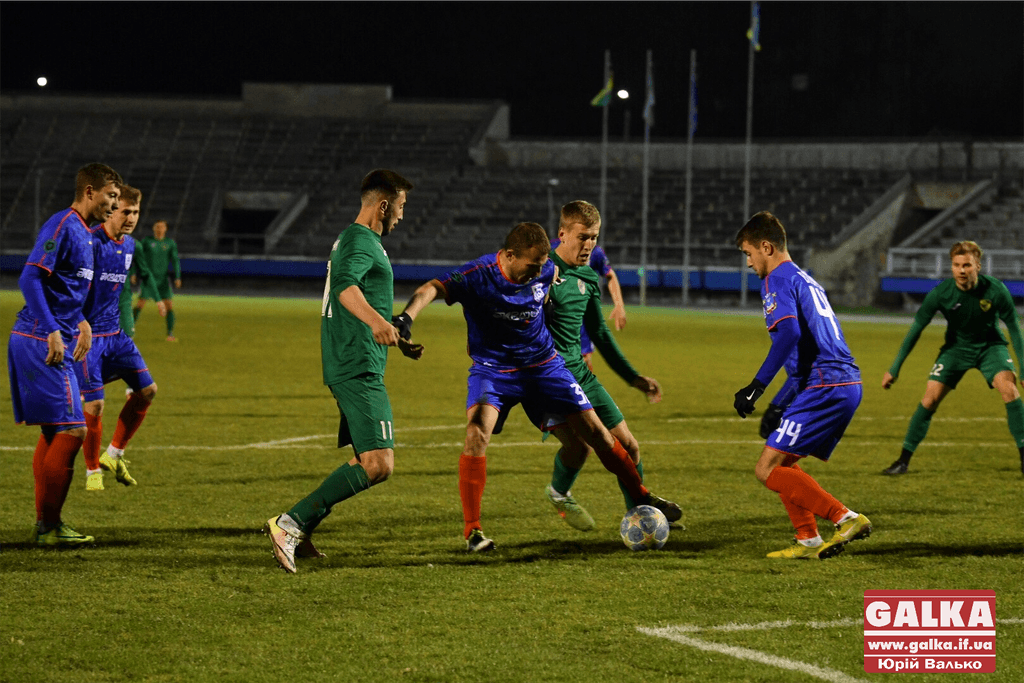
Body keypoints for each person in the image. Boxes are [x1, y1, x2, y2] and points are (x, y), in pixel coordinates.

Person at [397, 222, 677, 552]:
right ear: (509, 255)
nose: (537, 273)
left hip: (545, 366)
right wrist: (406, 319)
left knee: (598, 434)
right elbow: (432, 288)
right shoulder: (479, 273)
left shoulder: (546, 270)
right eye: (531, 266)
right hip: (494, 371)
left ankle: (641, 495)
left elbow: (551, 291)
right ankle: (473, 532)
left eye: (541, 266)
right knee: (476, 433)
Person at [264, 169, 420, 574]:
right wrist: (376, 323)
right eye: (401, 206)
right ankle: (290, 524)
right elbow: (345, 287)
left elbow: (357, 292)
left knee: (365, 457)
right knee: (379, 463)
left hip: (358, 358)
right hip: (355, 363)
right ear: (383, 206)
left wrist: (393, 334)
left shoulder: (356, 240)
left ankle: (302, 528)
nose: (402, 215)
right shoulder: (361, 240)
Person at [733, 211, 871, 560]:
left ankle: (846, 518)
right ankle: (807, 539)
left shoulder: (776, 278)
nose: (748, 263)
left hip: (825, 385)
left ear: (766, 247)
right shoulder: (805, 280)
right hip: (842, 382)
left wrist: (756, 387)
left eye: (749, 253)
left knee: (766, 469)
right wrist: (780, 403)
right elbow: (807, 352)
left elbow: (789, 335)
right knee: (782, 460)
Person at [542, 200, 679, 530]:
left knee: (629, 445)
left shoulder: (589, 277)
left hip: (581, 373)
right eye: (583, 237)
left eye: (594, 237)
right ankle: (559, 493)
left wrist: (634, 378)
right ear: (562, 233)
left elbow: (600, 333)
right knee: (586, 448)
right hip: (548, 377)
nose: (589, 244)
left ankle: (639, 517)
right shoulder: (542, 270)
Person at [7, 162, 122, 545]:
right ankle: (50, 527)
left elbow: (63, 289)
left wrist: (81, 322)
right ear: (89, 191)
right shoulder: (63, 225)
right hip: (41, 338)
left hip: (50, 336)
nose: (114, 205)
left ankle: (46, 524)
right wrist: (54, 330)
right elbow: (30, 277)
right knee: (74, 429)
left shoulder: (86, 234)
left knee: (56, 429)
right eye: (110, 196)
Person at [881, 240, 1024, 476]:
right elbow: (916, 329)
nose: (961, 270)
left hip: (991, 348)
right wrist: (895, 368)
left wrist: (1023, 368)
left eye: (967, 265)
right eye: (956, 265)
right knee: (930, 399)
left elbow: (1015, 329)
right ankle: (902, 461)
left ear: (978, 266)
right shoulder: (941, 293)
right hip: (956, 349)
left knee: (1009, 390)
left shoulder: (996, 290)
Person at [74, 185, 159, 492]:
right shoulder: (90, 243)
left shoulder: (131, 245)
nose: (132, 218)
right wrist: (78, 322)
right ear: (111, 210)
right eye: (126, 211)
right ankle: (92, 471)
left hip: (116, 336)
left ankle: (113, 454)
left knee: (147, 391)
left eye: (136, 212)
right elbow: (68, 289)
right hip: (88, 338)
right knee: (95, 405)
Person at [549, 237, 627, 371]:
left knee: (583, 361)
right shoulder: (552, 248)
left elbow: (610, 275)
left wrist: (619, 305)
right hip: (555, 315)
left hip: (582, 316)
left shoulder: (595, 252)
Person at [134, 220, 181, 341]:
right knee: (140, 304)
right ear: (154, 228)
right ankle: (129, 331)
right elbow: (138, 257)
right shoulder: (147, 241)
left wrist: (177, 276)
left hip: (163, 279)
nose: (160, 229)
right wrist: (134, 273)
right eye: (157, 227)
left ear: (166, 229)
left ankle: (170, 333)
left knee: (169, 305)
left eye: (162, 227)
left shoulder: (170, 243)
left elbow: (175, 260)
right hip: (148, 278)